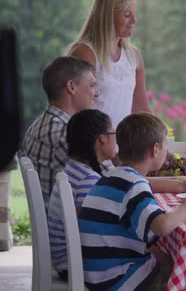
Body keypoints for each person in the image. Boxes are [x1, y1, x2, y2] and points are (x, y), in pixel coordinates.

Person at [78, 113, 186, 290]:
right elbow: (162, 226)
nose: (167, 151)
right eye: (166, 146)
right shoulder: (135, 186)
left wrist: (183, 186)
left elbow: (147, 186)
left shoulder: (114, 175)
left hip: (99, 276)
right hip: (121, 281)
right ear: (155, 149)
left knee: (172, 263)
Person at [47, 109, 116, 280]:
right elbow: (95, 236)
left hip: (67, 261)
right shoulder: (89, 180)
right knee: (153, 263)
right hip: (76, 265)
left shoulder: (73, 169)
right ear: (102, 139)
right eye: (114, 132)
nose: (117, 138)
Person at [20, 56, 98, 207]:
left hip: (57, 224)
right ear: (72, 87)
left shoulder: (41, 125)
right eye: (92, 85)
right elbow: (115, 183)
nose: (97, 93)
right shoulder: (65, 134)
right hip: (69, 228)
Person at [67, 0, 150, 128]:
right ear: (107, 15)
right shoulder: (86, 53)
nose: (134, 20)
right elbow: (77, 109)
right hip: (92, 144)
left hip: (122, 148)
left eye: (135, 14)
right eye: (127, 15)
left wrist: (159, 142)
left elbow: (141, 108)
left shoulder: (134, 57)